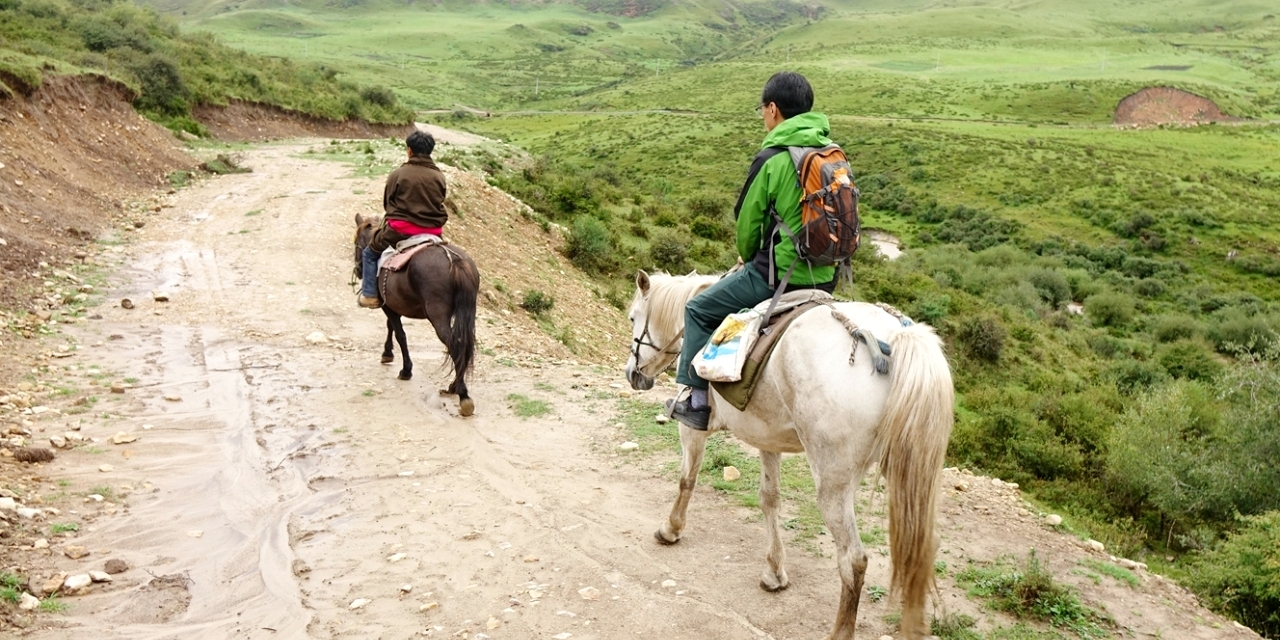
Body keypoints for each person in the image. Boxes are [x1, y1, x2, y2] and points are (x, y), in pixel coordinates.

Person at [668, 71, 837, 430]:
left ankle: (696, 400)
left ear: (773, 109)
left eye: (762, 109)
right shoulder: (831, 154)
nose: (762, 116)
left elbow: (747, 224)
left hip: (777, 278)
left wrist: (747, 254)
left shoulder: (772, 158)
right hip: (827, 277)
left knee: (697, 309)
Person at [358, 130, 449, 308]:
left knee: (369, 253)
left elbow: (387, 204)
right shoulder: (439, 176)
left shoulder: (398, 174)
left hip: (400, 231)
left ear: (409, 150)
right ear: (430, 151)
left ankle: (369, 295)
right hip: (433, 231)